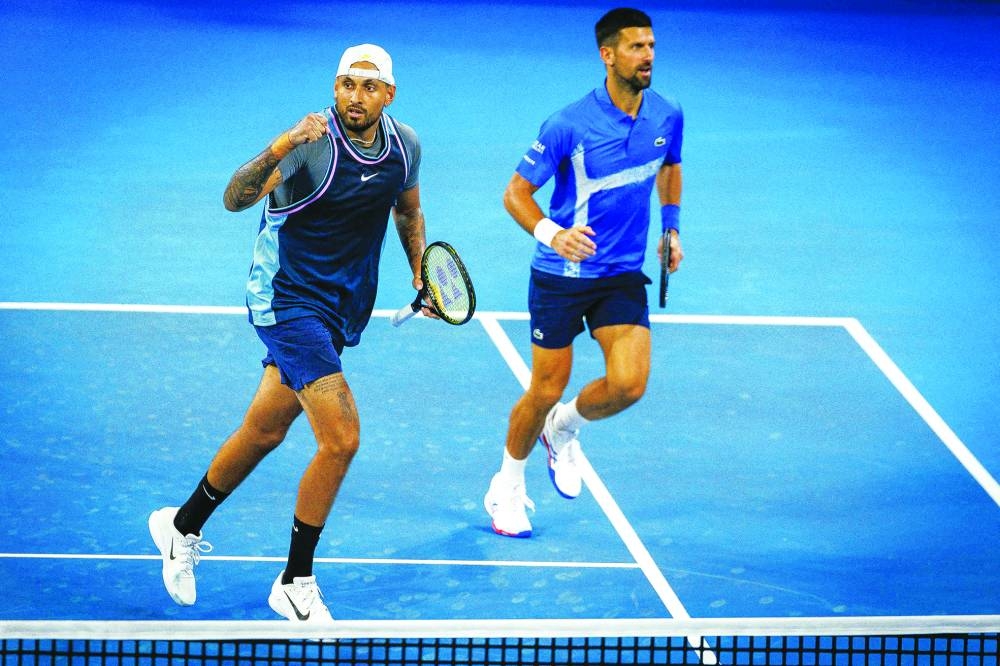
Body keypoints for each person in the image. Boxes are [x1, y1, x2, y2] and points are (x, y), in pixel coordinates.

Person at [149, 44, 432, 622]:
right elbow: (234, 198)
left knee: (264, 430)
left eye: (369, 86)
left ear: (389, 94)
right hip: (286, 300)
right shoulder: (310, 148)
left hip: (340, 306)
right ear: (335, 86)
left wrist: (422, 271)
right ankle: (295, 579)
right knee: (342, 438)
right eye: (348, 84)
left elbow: (407, 213)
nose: (357, 96)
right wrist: (280, 144)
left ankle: (181, 527)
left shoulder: (405, 148)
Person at [484, 8, 685, 538]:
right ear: (608, 55)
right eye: (637, 47)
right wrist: (554, 233)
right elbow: (515, 194)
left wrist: (671, 228)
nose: (648, 56)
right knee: (544, 388)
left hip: (621, 272)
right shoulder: (568, 124)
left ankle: (564, 429)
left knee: (629, 385)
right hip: (561, 275)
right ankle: (506, 483)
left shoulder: (666, 115)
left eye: (652, 46)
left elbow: (671, 166)